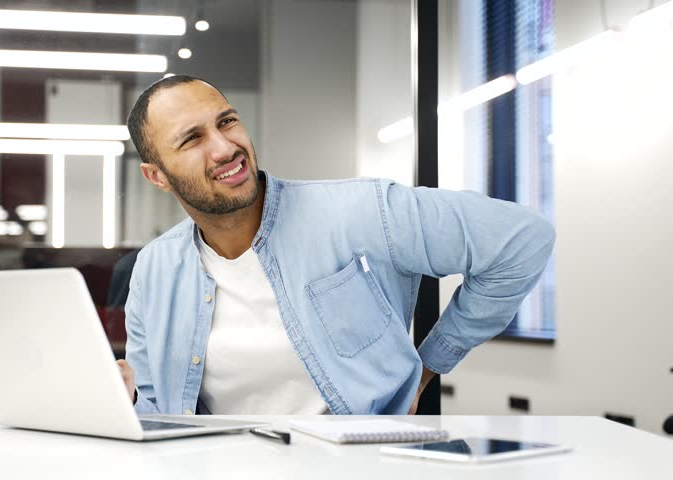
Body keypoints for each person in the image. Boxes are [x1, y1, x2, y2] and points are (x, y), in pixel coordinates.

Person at [115, 75, 555, 415]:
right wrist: (119, 398)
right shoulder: (154, 269)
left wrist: (430, 364)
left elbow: (521, 240)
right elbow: (154, 406)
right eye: (192, 139)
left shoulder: (362, 210)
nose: (225, 147)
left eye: (227, 121)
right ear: (156, 176)